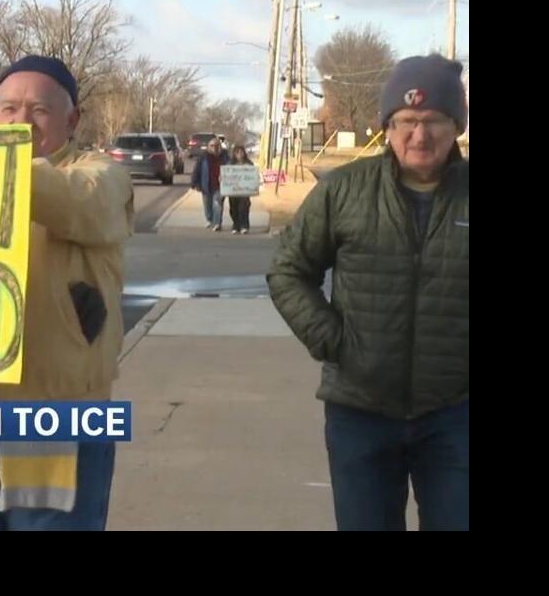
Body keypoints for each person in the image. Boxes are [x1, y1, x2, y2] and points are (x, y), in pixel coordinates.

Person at [0, 55, 135, 531]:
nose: (22, 121)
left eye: (39, 110)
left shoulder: (101, 176)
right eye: (9, 109)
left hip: (58, 420)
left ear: (72, 120)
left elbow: (81, 202)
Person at [267, 54, 469, 531]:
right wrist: (334, 342)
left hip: (455, 412)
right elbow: (288, 270)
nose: (419, 135)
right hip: (360, 411)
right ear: (387, 126)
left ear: (456, 126)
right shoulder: (345, 190)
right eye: (406, 121)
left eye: (433, 120)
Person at [190, 138, 224, 231]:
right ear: (208, 147)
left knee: (217, 204)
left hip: (220, 185)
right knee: (207, 205)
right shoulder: (203, 157)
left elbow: (230, 168)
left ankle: (217, 223)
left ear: (220, 147)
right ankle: (210, 220)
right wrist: (194, 183)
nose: (214, 148)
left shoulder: (224, 157)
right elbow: (197, 170)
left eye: (216, 146)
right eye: (212, 145)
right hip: (206, 184)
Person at [226, 145, 254, 234]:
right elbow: (225, 175)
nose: (240, 154)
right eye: (237, 152)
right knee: (233, 209)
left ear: (244, 153)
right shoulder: (230, 164)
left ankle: (244, 226)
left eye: (241, 152)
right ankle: (236, 225)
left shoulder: (249, 163)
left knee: (243, 208)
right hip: (233, 191)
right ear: (234, 154)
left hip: (244, 191)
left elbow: (253, 176)